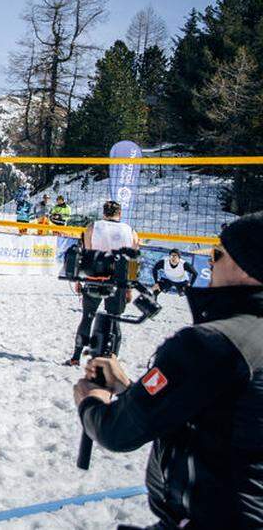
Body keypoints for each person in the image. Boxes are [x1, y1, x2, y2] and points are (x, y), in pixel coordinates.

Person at [72, 211, 263, 529]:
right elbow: (216, 416)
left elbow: (117, 432)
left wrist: (91, 401)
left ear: (248, 268)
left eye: (217, 254)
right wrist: (131, 388)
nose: (210, 263)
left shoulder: (211, 344)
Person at [64, 200, 140, 366]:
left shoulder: (92, 227)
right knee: (115, 321)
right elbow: (133, 260)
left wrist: (78, 279)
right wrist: (129, 288)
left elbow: (85, 254)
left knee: (87, 318)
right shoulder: (130, 231)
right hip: (118, 279)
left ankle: (76, 357)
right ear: (119, 214)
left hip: (94, 277)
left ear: (104, 213)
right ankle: (112, 361)